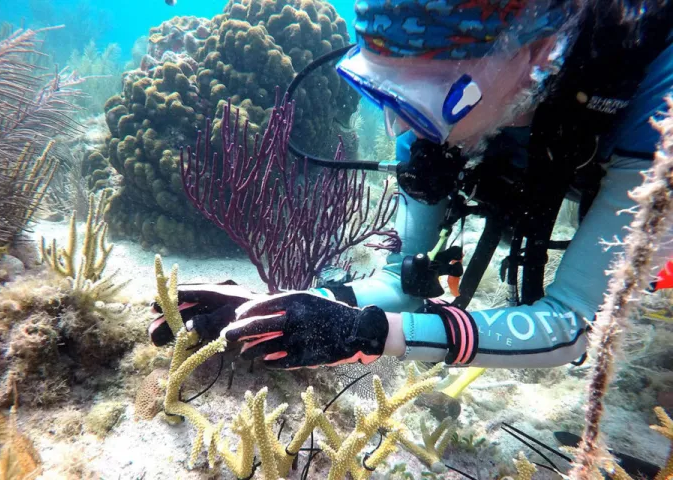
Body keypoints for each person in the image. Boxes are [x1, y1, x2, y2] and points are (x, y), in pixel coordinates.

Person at [149, 0, 673, 370]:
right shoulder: (433, 121)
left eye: (419, 96)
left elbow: (572, 326)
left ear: (534, 53)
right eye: (382, 91)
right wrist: (280, 305)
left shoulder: (662, 98)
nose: (400, 129)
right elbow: (401, 283)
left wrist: (373, 336)